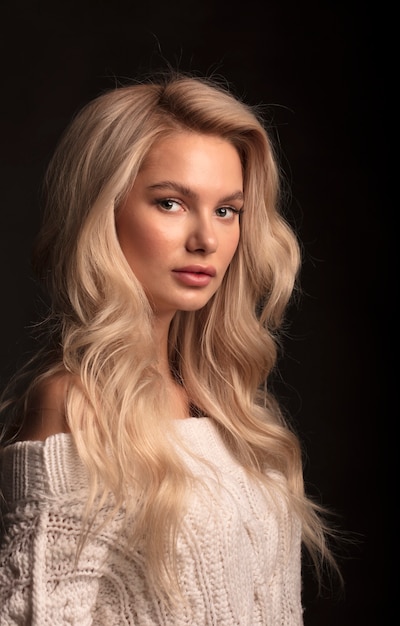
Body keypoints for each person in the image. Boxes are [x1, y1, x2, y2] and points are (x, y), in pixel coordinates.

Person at [0, 70, 339, 625]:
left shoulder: (226, 405)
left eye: (227, 210)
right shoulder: (74, 405)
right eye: (171, 203)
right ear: (102, 211)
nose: (206, 238)